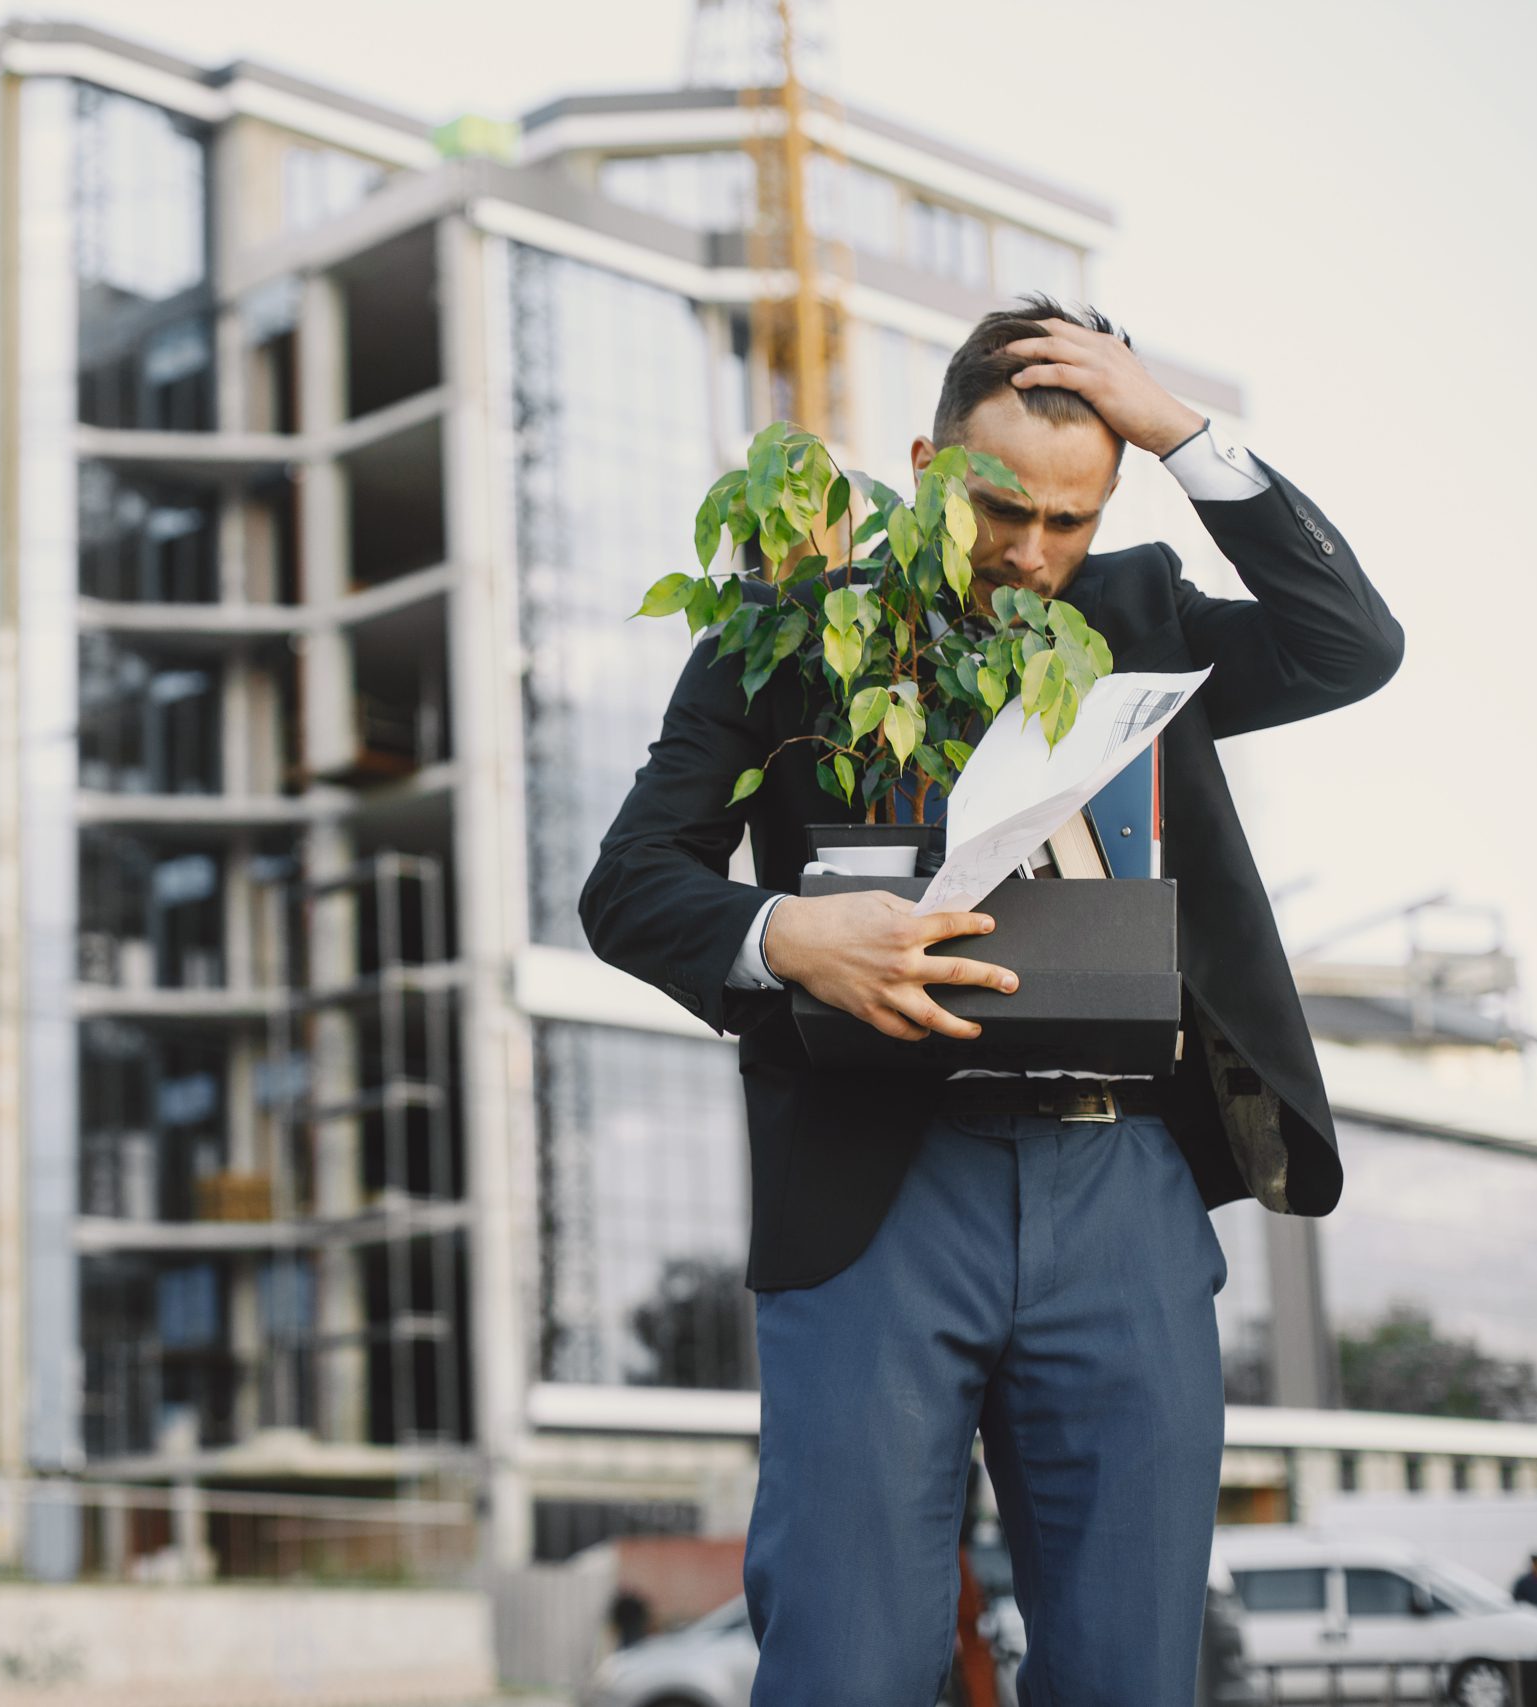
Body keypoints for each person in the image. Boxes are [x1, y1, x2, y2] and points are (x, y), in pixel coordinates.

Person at [579, 295, 1404, 1704]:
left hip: (1124, 1190)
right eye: (1000, 509)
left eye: (1071, 519)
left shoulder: (1142, 621)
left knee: (1134, 1669)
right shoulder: (787, 637)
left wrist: (1180, 429)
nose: (1031, 554)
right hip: (877, 1189)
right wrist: (787, 935)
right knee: (846, 1662)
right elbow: (630, 883)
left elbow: (1348, 643)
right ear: (925, 465)